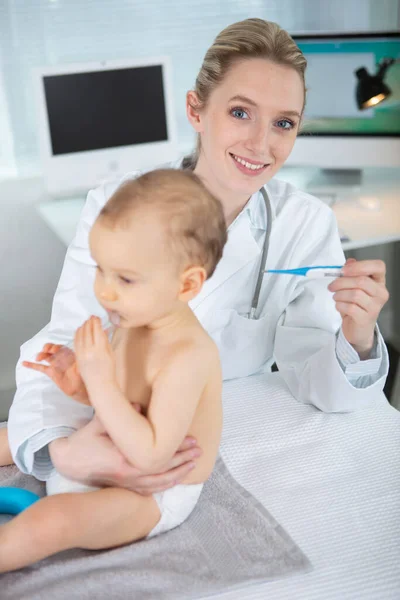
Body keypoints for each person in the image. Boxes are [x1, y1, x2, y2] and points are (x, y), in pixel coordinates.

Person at [4, 18, 389, 494]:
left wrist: (358, 334)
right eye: (241, 113)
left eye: (283, 123)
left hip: (216, 431)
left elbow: (316, 381)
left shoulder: (305, 224)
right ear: (196, 109)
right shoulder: (119, 202)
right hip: (112, 413)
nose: (260, 144)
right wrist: (63, 449)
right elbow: (66, 338)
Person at [0, 169, 224, 572]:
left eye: (124, 278)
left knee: (53, 521)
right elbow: (125, 399)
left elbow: (151, 457)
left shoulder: (188, 355)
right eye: (100, 269)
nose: (103, 290)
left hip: (151, 491)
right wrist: (82, 386)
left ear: (187, 286)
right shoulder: (134, 316)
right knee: (7, 437)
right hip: (106, 445)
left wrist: (100, 380)